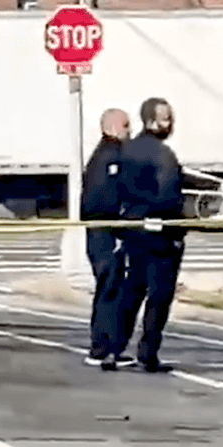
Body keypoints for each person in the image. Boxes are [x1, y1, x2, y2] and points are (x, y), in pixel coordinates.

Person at [114, 97, 186, 372]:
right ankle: (148, 352)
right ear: (151, 121)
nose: (171, 124)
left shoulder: (127, 150)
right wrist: (178, 228)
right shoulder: (162, 155)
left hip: (132, 228)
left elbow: (119, 187)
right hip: (160, 234)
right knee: (160, 294)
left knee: (132, 290)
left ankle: (115, 348)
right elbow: (168, 196)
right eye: (166, 118)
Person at [81, 108, 135, 370]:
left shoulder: (105, 156)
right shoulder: (110, 158)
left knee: (111, 288)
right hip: (106, 234)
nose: (130, 130)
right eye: (126, 125)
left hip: (103, 233)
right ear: (112, 127)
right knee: (110, 288)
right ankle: (103, 348)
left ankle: (108, 346)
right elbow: (105, 199)